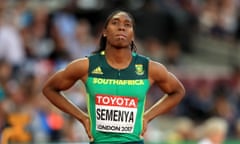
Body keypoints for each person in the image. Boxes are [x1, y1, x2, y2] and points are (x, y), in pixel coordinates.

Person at [42, 10, 185, 144]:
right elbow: (50, 89)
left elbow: (178, 91)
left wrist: (147, 117)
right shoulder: (86, 66)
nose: (121, 27)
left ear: (132, 35)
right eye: (115, 23)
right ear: (104, 32)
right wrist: (82, 117)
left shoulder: (149, 68)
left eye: (127, 25)